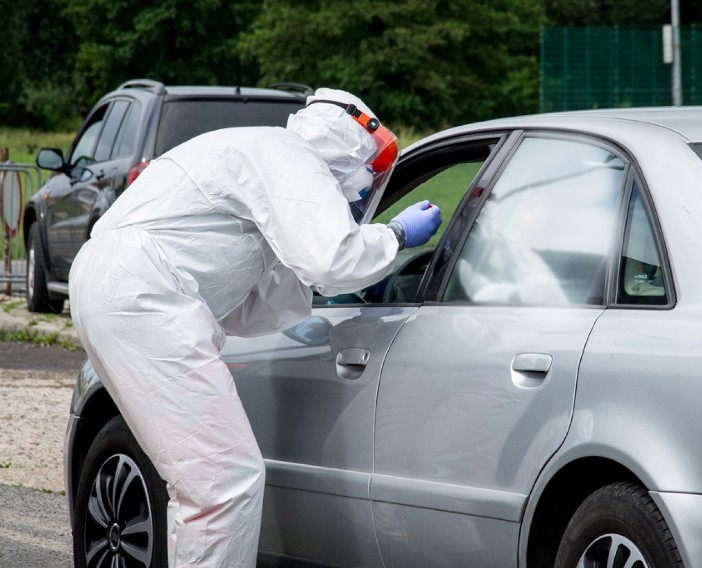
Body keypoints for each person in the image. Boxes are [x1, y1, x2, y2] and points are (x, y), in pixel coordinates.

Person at [68, 88, 442, 567]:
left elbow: (246, 300)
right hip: (143, 295)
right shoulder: (290, 157)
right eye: (369, 172)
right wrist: (395, 236)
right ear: (351, 146)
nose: (366, 188)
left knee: (205, 482)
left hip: (118, 286)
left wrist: (335, 286)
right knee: (222, 480)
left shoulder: (260, 156)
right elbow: (330, 258)